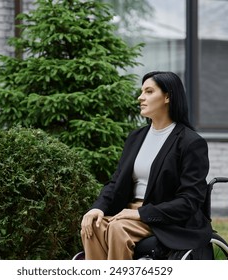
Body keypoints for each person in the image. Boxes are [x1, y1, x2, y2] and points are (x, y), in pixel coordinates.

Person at [80, 71, 211, 260]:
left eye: (149, 92)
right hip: (127, 213)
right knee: (92, 225)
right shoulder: (136, 137)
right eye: (142, 92)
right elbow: (115, 182)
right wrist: (97, 208)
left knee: (118, 228)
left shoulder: (190, 142)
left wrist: (141, 213)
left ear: (167, 97)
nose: (141, 97)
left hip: (167, 220)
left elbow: (189, 201)